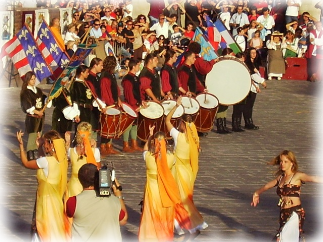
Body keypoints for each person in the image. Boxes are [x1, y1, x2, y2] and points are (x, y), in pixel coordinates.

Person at [251, 150, 323, 242]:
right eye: (281, 161)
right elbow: (266, 186)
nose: (282, 164)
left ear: (292, 163)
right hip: (283, 213)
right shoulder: (280, 178)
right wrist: (257, 193)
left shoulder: (297, 176)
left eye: (286, 162)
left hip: (295, 213)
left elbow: (314, 178)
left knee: (282, 238)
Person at [138, 126, 191, 242]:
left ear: (154, 142)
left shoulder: (148, 157)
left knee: (151, 215)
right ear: (165, 142)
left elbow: (145, 149)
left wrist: (150, 136)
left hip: (152, 191)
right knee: (165, 216)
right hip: (166, 191)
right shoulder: (171, 158)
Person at [165, 96, 208, 241]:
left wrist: (176, 106)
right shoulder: (194, 141)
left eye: (180, 123)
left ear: (183, 124)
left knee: (177, 201)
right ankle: (187, 229)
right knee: (186, 201)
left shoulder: (178, 136)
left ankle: (192, 227)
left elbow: (166, 121)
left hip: (178, 172)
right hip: (188, 173)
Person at [17, 130, 70, 242]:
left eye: (45, 142)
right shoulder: (62, 160)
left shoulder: (46, 161)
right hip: (56, 200)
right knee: (54, 229)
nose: (45, 144)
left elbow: (26, 163)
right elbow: (44, 165)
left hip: (45, 202)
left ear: (51, 144)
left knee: (43, 229)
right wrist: (40, 147)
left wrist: (21, 145)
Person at [66, 163, 128, 242]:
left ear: (80, 180)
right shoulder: (112, 200)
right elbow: (123, 220)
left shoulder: (73, 202)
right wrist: (118, 194)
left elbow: (69, 213)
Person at [66, 122, 101, 198]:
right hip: (90, 189)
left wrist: (67, 144)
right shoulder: (95, 152)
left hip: (73, 187)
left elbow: (64, 166)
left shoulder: (70, 151)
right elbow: (98, 170)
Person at [20, 71, 47, 160]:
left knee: (39, 135)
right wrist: (36, 112)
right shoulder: (25, 92)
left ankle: (36, 151)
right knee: (32, 136)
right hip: (32, 118)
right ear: (27, 80)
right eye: (31, 79)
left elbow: (43, 99)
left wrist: (47, 100)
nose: (33, 81)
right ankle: (30, 152)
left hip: (40, 118)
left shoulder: (38, 90)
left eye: (34, 79)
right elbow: (27, 106)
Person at [100, 56, 122, 155]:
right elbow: (105, 91)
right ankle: (103, 146)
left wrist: (118, 99)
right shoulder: (105, 76)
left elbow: (115, 88)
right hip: (108, 104)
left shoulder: (111, 74)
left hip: (113, 102)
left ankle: (109, 146)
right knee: (106, 126)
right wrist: (110, 103)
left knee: (111, 126)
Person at [121, 59, 144, 152]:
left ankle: (134, 143)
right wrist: (133, 105)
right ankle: (125, 144)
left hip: (137, 103)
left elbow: (138, 91)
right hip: (130, 105)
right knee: (128, 125)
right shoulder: (127, 79)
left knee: (135, 124)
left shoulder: (136, 78)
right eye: (138, 65)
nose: (139, 67)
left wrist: (141, 101)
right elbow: (128, 93)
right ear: (133, 66)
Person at [243, 47, 267, 130]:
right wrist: (262, 81)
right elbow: (252, 75)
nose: (254, 54)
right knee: (248, 106)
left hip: (254, 87)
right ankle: (248, 122)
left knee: (250, 106)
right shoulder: (247, 63)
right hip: (249, 87)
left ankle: (249, 122)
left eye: (255, 53)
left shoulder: (255, 63)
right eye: (252, 53)